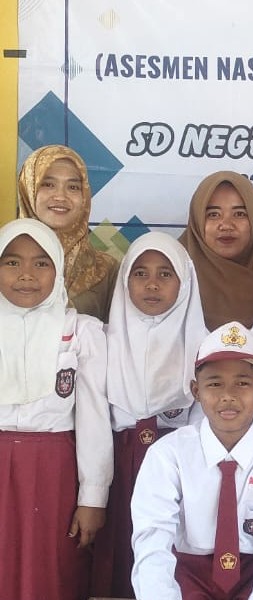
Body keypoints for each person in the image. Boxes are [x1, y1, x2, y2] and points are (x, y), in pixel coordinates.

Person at [131, 321, 253, 600]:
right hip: (186, 575)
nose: (228, 396)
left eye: (243, 383)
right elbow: (152, 541)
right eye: (214, 383)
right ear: (196, 390)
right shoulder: (167, 455)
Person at [0, 218, 112, 600]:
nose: (26, 275)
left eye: (41, 263)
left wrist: (93, 497)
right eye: (11, 262)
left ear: (59, 268)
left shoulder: (81, 331)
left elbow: (94, 418)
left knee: (49, 571)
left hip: (54, 473)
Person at [91, 232, 207, 598]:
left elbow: (205, 426)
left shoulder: (204, 346)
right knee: (120, 560)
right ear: (125, 280)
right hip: (119, 468)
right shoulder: (101, 342)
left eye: (165, 274)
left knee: (172, 564)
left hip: (179, 472)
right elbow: (94, 422)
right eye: (140, 273)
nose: (152, 284)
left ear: (184, 282)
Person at [17, 144, 119, 322]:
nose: (60, 196)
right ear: (28, 188)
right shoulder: (4, 260)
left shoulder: (106, 270)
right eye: (48, 184)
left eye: (73, 187)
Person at [179, 171, 253, 330]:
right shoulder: (171, 276)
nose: (226, 225)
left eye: (239, 214)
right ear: (197, 219)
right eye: (213, 214)